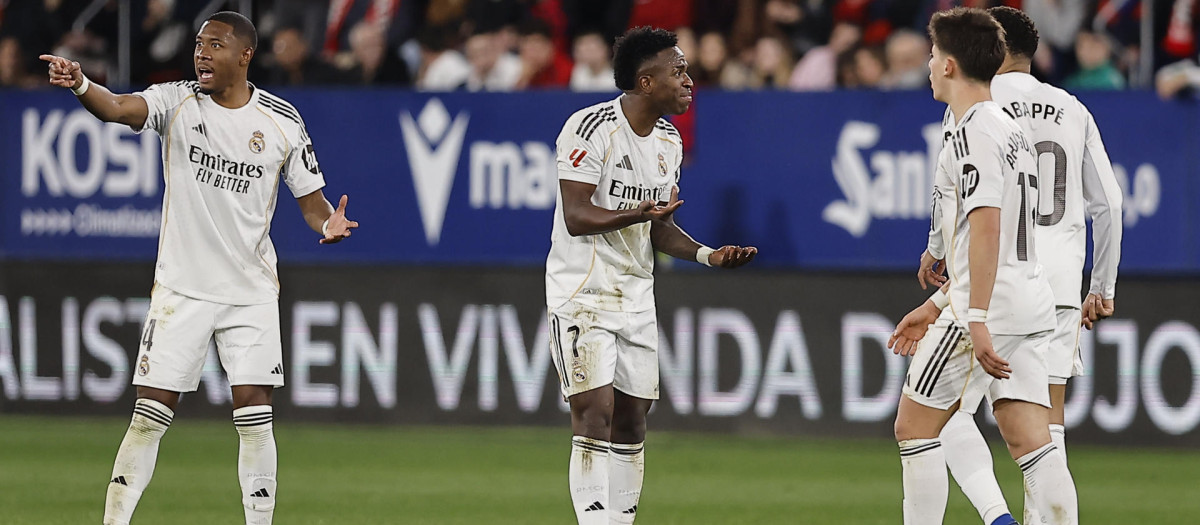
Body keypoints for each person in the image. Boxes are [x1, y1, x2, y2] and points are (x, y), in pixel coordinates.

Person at [40, 11, 358, 525]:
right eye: (199, 44)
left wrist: (327, 225)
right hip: (182, 290)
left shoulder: (281, 121)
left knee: (256, 419)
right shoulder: (177, 100)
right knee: (148, 418)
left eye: (216, 45)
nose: (202, 53)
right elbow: (119, 108)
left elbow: (312, 201)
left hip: (250, 291)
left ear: (245, 56)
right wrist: (81, 84)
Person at [918, 6, 1123, 524]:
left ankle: (996, 516)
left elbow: (954, 193)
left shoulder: (975, 105)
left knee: (936, 417)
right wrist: (1102, 285)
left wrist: (937, 253)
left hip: (994, 280)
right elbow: (1110, 204)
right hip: (1055, 290)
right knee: (1044, 432)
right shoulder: (1071, 107)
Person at [546, 26, 757, 524]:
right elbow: (577, 216)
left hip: (636, 295)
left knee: (633, 420)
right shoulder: (589, 127)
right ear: (645, 82)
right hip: (583, 290)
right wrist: (637, 215)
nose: (688, 79)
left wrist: (708, 255)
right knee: (593, 412)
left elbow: (658, 228)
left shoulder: (668, 140)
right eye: (678, 70)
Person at [888, 7, 1078, 524]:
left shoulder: (974, 131)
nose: (927, 65)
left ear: (949, 65)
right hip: (1029, 298)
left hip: (987, 308)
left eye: (931, 55)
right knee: (1032, 443)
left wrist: (972, 316)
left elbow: (988, 226)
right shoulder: (1008, 128)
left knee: (914, 426)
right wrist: (933, 305)